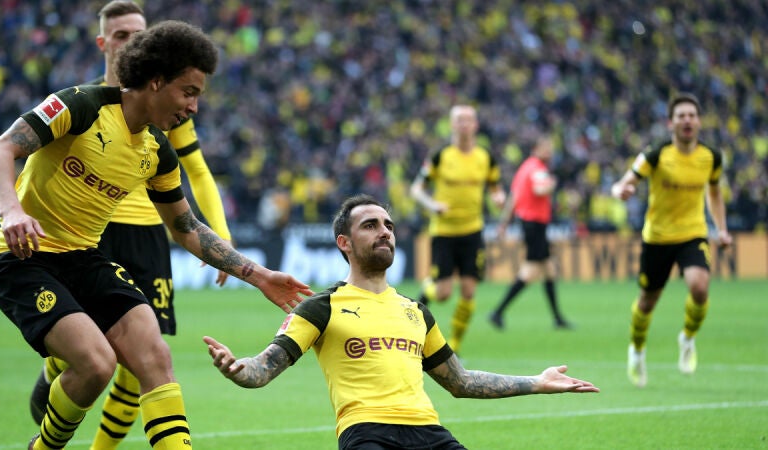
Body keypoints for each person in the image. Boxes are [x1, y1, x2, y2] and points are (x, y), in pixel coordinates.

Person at [0, 20, 312, 450]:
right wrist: (11, 211)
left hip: (84, 259)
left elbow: (187, 228)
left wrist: (260, 276)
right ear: (156, 81)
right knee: (97, 364)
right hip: (24, 258)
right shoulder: (80, 106)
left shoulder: (157, 151)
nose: (194, 107)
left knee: (154, 355)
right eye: (188, 92)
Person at [204, 194, 599, 449]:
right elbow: (264, 367)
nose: (385, 232)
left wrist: (537, 382)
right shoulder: (321, 307)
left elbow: (460, 382)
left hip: (429, 433)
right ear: (344, 243)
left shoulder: (416, 311)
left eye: (389, 226)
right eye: (371, 225)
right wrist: (239, 369)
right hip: (366, 434)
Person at [27, 4, 235, 449]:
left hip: (149, 233)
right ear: (103, 43)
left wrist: (222, 234)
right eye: (122, 35)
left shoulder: (171, 106)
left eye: (140, 34)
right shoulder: (86, 103)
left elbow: (198, 171)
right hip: (93, 231)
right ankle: (57, 365)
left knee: (144, 356)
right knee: (93, 348)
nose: (132, 42)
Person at [610, 92, 731, 388]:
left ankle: (687, 338)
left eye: (692, 115)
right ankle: (637, 350)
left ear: (699, 121)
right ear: (671, 123)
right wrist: (620, 191)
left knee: (699, 287)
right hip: (658, 238)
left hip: (693, 233)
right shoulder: (656, 154)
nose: (687, 120)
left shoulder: (711, 157)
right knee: (647, 302)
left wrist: (722, 228)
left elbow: (714, 193)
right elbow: (624, 182)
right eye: (681, 116)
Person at [409, 104, 506, 354]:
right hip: (444, 231)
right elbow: (416, 189)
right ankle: (428, 288)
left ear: (476, 125)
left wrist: (498, 197)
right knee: (443, 294)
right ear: (452, 125)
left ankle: (455, 345)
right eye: (459, 120)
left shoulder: (485, 157)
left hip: (472, 231)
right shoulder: (440, 156)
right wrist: (432, 205)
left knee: (469, 290)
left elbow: (495, 186)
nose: (464, 124)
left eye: (468, 120)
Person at [488, 136, 572, 330]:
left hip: (530, 224)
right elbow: (540, 189)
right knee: (531, 270)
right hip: (535, 224)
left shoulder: (524, 168)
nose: (549, 151)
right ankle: (498, 312)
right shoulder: (538, 168)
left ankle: (557, 318)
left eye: (550, 147)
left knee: (549, 269)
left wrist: (504, 223)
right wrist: (552, 183)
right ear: (535, 149)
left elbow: (514, 197)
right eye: (546, 147)